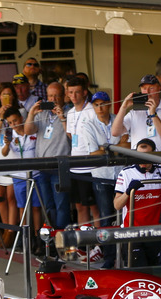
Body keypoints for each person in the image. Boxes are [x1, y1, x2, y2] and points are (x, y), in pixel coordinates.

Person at [113, 138, 161, 266]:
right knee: (137, 271)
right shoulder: (126, 173)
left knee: (153, 271)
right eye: (138, 156)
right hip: (131, 231)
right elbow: (117, 205)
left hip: (155, 231)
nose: (142, 160)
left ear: (154, 155)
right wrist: (128, 192)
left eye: (146, 156)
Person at [25, 81, 71, 229]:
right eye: (50, 96)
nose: (53, 99)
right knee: (48, 206)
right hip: (42, 167)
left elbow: (72, 136)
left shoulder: (70, 112)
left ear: (63, 96)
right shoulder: (42, 113)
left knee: (61, 206)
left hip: (60, 167)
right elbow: (28, 131)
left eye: (57, 96)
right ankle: (50, 239)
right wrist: (31, 113)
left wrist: (62, 116)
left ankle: (61, 239)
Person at [82, 91, 119, 268]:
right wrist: (116, 149)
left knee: (125, 216)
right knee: (106, 217)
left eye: (103, 103)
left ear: (109, 103)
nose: (100, 107)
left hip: (120, 175)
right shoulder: (88, 124)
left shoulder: (119, 119)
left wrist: (106, 149)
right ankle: (109, 257)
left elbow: (129, 144)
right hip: (101, 176)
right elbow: (93, 152)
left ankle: (128, 254)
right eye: (96, 104)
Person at [2, 106, 44, 255]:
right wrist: (7, 144)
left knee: (36, 207)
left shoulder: (31, 130)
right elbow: (4, 153)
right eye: (10, 122)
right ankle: (26, 240)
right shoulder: (9, 134)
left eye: (15, 120)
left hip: (36, 174)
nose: (13, 124)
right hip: (19, 176)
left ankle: (38, 239)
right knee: (22, 208)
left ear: (21, 118)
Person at [0, 82, 22, 245]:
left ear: (13, 96)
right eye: (3, 94)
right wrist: (1, 118)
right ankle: (4, 229)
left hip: (13, 155)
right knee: (0, 197)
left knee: (11, 197)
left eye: (9, 94)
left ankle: (11, 232)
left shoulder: (20, 111)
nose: (6, 97)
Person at [111, 74, 161, 152]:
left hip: (160, 160)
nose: (147, 92)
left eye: (151, 88)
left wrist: (153, 114)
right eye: (144, 88)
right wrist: (123, 107)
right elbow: (115, 132)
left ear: (159, 88)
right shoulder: (135, 111)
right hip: (139, 160)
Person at [65, 76, 99, 227]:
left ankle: (100, 244)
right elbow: (71, 136)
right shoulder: (70, 112)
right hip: (75, 165)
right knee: (79, 206)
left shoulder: (92, 110)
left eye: (77, 92)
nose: (73, 96)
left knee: (94, 207)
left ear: (85, 92)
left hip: (90, 167)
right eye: (70, 92)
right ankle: (82, 245)